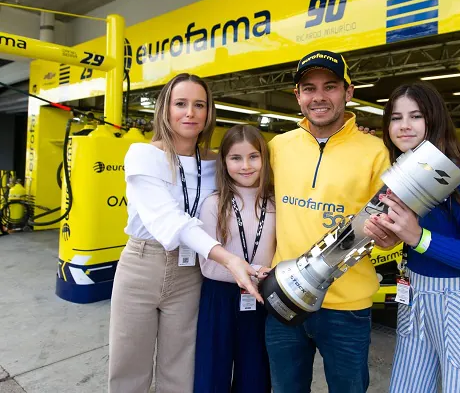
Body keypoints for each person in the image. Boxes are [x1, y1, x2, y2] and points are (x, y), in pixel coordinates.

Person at [108, 73, 262, 393]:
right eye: (181, 104)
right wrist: (229, 260)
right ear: (165, 109)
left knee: (180, 368)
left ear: (209, 113)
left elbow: (249, 189)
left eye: (199, 105)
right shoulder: (143, 155)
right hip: (142, 264)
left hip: (191, 271)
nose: (190, 112)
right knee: (128, 365)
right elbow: (171, 220)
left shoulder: (215, 163)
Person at [363, 82, 460, 393]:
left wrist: (418, 238)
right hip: (414, 296)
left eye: (415, 116)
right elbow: (411, 235)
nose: (404, 126)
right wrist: (393, 239)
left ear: (434, 119)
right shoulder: (403, 174)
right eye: (396, 118)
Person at [265, 50, 391, 393]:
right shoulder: (277, 147)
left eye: (330, 86)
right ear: (297, 95)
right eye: (309, 88)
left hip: (346, 307)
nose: (318, 97)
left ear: (348, 92)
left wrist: (388, 236)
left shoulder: (375, 151)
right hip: (284, 295)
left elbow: (391, 230)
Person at [194, 125, 275, 393]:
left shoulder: (275, 203)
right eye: (236, 158)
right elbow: (208, 265)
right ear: (224, 161)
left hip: (261, 297)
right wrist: (251, 269)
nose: (246, 166)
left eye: (253, 156)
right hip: (219, 297)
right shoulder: (213, 204)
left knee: (256, 372)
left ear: (264, 158)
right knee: (212, 369)